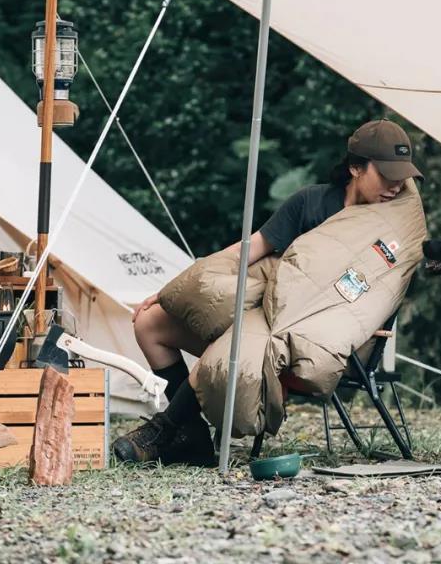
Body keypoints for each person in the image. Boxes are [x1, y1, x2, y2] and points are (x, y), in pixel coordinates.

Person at [113, 119, 423, 466]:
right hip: (266, 312)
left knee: (232, 344)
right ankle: (193, 436)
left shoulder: (391, 229)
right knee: (150, 323)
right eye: (387, 175)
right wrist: (175, 289)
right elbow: (248, 251)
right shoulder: (311, 202)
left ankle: (164, 429)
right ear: (355, 167)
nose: (396, 186)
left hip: (324, 342)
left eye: (402, 177)